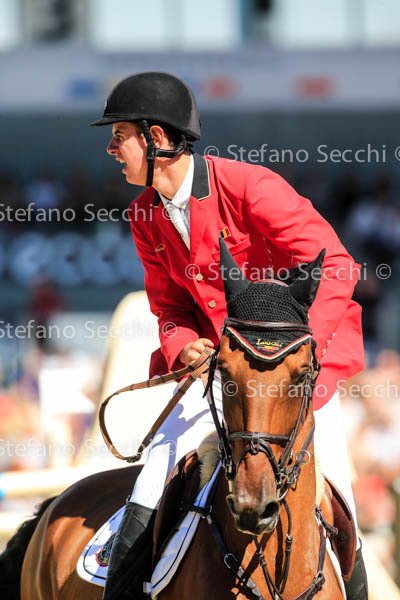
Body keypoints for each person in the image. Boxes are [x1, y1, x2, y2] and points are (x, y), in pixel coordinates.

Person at [91, 71, 368, 599]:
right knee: (152, 480)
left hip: (295, 373)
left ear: (156, 138)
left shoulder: (249, 186)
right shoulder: (144, 215)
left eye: (119, 135)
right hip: (221, 373)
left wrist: (295, 353)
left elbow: (336, 265)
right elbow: (169, 307)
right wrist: (183, 346)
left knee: (337, 495)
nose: (111, 149)